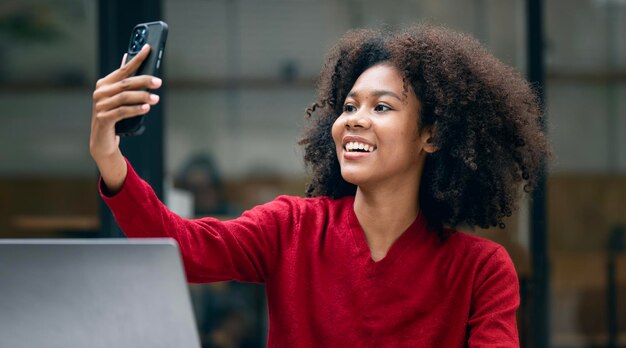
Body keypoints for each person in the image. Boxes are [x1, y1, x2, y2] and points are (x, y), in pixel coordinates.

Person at [90, 25, 549, 347]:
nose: (355, 121)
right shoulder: (290, 228)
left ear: (432, 135)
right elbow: (184, 248)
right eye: (349, 106)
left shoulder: (481, 270)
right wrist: (110, 158)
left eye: (382, 108)